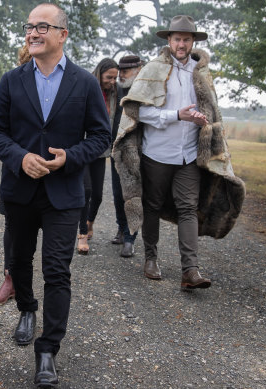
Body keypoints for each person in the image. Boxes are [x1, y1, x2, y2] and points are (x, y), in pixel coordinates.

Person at [0, 4, 111, 387]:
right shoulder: (11, 80)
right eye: (29, 27)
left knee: (57, 270)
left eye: (43, 26)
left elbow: (102, 137)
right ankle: (26, 308)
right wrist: (20, 157)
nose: (33, 33)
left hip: (64, 193)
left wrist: (70, 158)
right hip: (20, 190)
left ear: (62, 35)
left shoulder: (85, 83)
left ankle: (47, 350)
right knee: (20, 260)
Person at [112, 15, 245, 289]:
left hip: (190, 155)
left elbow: (213, 110)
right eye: (177, 39)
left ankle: (190, 271)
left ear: (192, 41)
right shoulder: (153, 69)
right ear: (169, 41)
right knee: (152, 205)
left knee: (188, 208)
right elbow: (138, 110)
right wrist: (177, 115)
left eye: (186, 39)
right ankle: (150, 258)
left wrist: (204, 122)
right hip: (157, 154)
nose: (181, 44)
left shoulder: (202, 73)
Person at [0, 45, 31, 306]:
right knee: (12, 226)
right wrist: (18, 157)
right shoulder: (11, 82)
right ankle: (11, 278)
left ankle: (49, 283)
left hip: (53, 167)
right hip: (16, 167)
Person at [76, 58, 119, 255]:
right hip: (84, 148)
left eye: (115, 78)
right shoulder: (86, 88)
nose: (112, 81)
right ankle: (82, 234)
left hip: (101, 150)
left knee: (99, 195)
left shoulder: (115, 94)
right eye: (109, 77)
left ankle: (89, 221)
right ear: (99, 73)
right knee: (86, 190)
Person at [110, 54, 145, 257]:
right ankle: (121, 228)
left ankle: (130, 237)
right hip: (118, 150)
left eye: (126, 71)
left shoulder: (143, 90)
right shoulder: (116, 89)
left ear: (138, 69)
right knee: (117, 195)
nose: (121, 74)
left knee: (132, 196)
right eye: (120, 70)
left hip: (137, 151)